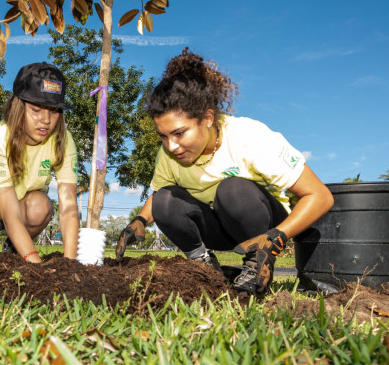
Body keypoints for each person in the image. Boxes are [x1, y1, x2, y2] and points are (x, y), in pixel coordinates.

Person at [116, 49, 334, 295]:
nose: (171, 146)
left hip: (265, 226)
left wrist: (277, 238)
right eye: (163, 136)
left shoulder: (250, 137)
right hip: (220, 229)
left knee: (232, 190)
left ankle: (257, 265)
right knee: (166, 199)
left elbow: (320, 196)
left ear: (208, 118)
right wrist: (140, 220)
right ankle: (205, 269)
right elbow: (159, 197)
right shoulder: (168, 153)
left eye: (179, 133)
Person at [0, 62, 79, 263]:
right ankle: (22, 251)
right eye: (36, 110)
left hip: (28, 207)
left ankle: (12, 250)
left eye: (53, 111)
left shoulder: (63, 139)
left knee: (41, 205)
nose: (45, 120)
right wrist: (37, 266)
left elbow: (69, 206)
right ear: (19, 106)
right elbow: (10, 214)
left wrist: (70, 263)